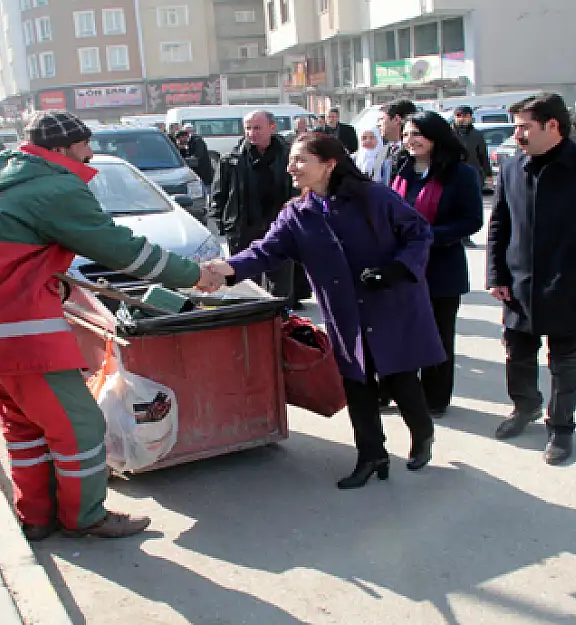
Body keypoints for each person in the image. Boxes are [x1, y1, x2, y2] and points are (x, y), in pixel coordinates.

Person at [0, 111, 225, 539]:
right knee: (80, 427)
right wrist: (193, 275)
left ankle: (37, 516)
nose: (91, 152)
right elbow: (120, 248)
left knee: (24, 426)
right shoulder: (55, 187)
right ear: (60, 150)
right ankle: (85, 517)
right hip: (18, 330)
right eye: (84, 145)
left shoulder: (7, 179)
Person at [205, 133, 445, 488]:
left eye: (301, 159)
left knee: (400, 378)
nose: (291, 167)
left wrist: (397, 268)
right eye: (292, 160)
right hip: (344, 312)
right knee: (357, 384)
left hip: (389, 303)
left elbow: (419, 232)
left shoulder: (373, 197)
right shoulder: (297, 214)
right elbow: (265, 251)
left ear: (329, 163)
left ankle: (422, 433)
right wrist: (225, 270)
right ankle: (371, 456)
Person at [486, 93, 576, 465]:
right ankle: (525, 407)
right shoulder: (512, 167)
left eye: (524, 127)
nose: (517, 134)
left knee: (565, 362)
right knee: (517, 354)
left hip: (572, 283)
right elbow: (499, 225)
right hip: (520, 284)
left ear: (553, 126)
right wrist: (496, 275)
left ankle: (561, 427)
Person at [391, 112, 484, 415]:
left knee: (438, 336)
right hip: (401, 266)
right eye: (405, 134)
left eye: (417, 133)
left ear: (435, 136)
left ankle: (435, 399)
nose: (410, 140)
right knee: (400, 333)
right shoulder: (401, 168)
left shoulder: (461, 174)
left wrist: (427, 236)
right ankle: (400, 393)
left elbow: (471, 221)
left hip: (441, 267)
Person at [209, 110, 297, 304]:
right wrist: (221, 223)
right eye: (248, 128)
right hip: (243, 227)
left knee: (281, 282)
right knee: (247, 281)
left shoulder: (290, 156)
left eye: (257, 128)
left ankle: (281, 320)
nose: (251, 133)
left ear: (272, 128)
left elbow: (301, 190)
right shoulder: (231, 159)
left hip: (280, 226)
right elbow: (218, 194)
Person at [375, 99, 418, 185]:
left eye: (381, 119)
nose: (377, 124)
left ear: (396, 119)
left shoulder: (416, 152)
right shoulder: (382, 152)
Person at [452, 105, 493, 189]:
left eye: (465, 116)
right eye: (458, 116)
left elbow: (483, 156)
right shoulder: (448, 134)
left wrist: (489, 175)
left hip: (473, 176)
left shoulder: (477, 135)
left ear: (470, 117)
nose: (461, 119)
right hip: (453, 176)